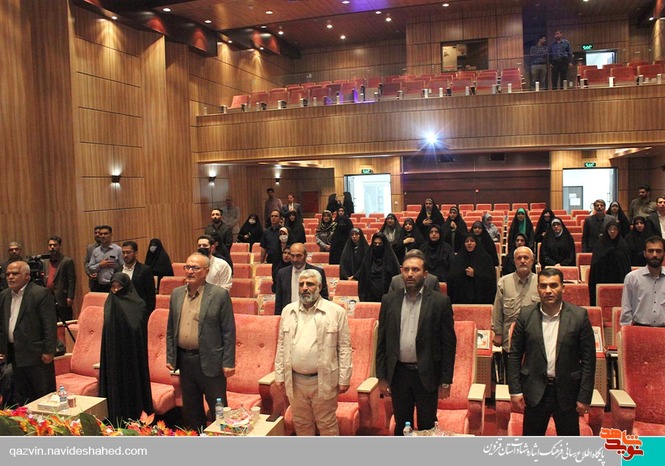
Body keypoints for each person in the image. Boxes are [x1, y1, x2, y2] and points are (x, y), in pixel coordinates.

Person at [508, 268, 596, 436]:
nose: (548, 290)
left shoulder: (579, 316)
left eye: (553, 285)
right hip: (534, 391)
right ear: (538, 289)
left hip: (568, 391)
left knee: (569, 446)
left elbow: (588, 361)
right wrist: (515, 390)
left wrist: (584, 396)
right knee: (532, 445)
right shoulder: (525, 315)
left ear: (563, 288)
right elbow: (515, 355)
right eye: (543, 286)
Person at [376, 252, 456, 436]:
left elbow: (448, 344)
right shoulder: (389, 300)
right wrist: (381, 376)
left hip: (427, 374)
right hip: (399, 374)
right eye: (406, 270)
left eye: (415, 269)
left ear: (425, 274)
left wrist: (446, 381)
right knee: (402, 426)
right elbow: (382, 341)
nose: (410, 274)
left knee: (427, 426)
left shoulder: (440, 302)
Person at [274, 269, 351, 436]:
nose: (304, 288)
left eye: (309, 284)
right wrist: (279, 374)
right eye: (301, 284)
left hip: (323, 380)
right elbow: (281, 345)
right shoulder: (288, 311)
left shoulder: (336, 312)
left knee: (327, 423)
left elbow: (344, 347)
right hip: (295, 380)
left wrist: (344, 378)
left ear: (320, 286)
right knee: (301, 423)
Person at [166, 253, 236, 430]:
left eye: (195, 268)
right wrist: (170, 356)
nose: (190, 271)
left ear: (206, 271)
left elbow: (229, 331)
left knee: (219, 412)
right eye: (187, 267)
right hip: (185, 361)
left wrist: (228, 362)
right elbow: (171, 329)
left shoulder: (219, 295)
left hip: (211, 362)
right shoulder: (176, 294)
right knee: (191, 412)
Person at [99, 273, 153, 424]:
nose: (116, 290)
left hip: (132, 355)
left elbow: (137, 329)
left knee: (132, 386)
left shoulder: (138, 304)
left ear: (127, 287)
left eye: (119, 286)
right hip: (113, 354)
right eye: (113, 286)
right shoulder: (110, 303)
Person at [0, 261, 57, 405]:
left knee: (43, 396)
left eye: (15, 274)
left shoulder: (40, 293)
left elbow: (49, 325)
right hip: (14, 354)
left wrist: (49, 351)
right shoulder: (4, 295)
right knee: (21, 397)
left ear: (27, 276)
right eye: (8, 274)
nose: (10, 277)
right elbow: (2, 325)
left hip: (37, 355)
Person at [492, 246, 540, 383]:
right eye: (519, 258)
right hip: (510, 341)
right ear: (514, 261)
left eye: (526, 258)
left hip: (534, 341)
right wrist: (498, 333)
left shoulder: (540, 282)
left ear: (532, 260)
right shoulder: (504, 282)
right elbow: (497, 310)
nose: (523, 261)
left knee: (533, 381)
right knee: (512, 381)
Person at [620, 236, 665, 327]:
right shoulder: (632, 278)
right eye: (650, 251)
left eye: (658, 251)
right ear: (644, 254)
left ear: (664, 253)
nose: (654, 255)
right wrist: (627, 331)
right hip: (639, 329)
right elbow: (626, 310)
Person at [274, 243, 328, 316]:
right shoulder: (282, 273)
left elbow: (324, 297)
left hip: (312, 315)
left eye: (298, 256)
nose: (295, 259)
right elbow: (279, 301)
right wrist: (278, 318)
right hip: (290, 315)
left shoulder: (318, 272)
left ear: (305, 255)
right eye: (292, 256)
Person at [588, 219, 631, 306]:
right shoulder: (599, 245)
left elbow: (626, 266)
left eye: (615, 229)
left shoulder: (623, 246)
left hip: (619, 280)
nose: (612, 231)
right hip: (602, 278)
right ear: (606, 230)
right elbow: (595, 265)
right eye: (610, 229)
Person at [447, 234, 497, 305]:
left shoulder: (486, 259)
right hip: (461, 298)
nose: (469, 243)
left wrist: (476, 274)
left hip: (481, 299)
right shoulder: (457, 259)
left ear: (476, 243)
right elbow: (451, 278)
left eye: (472, 241)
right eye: (466, 241)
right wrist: (463, 273)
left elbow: (490, 279)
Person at [115, 241, 156, 318]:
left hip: (139, 313)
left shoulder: (145, 270)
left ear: (136, 253)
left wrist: (148, 316)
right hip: (121, 312)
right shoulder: (117, 270)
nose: (125, 255)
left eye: (128, 252)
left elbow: (150, 296)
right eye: (123, 253)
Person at [357, 232, 401, 302]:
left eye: (380, 244)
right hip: (369, 298)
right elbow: (362, 281)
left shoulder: (391, 261)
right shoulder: (368, 260)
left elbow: (396, 282)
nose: (377, 246)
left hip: (387, 299)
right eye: (375, 244)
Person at [44, 236, 76, 322]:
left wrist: (70, 297)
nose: (52, 247)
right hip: (48, 296)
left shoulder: (67, 261)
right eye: (50, 245)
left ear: (60, 246)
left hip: (62, 296)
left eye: (55, 245)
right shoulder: (45, 261)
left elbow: (71, 280)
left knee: (66, 321)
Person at [87, 225, 123, 293]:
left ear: (111, 235)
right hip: (98, 285)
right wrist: (100, 265)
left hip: (113, 285)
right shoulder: (95, 251)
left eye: (105, 234)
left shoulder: (118, 250)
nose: (103, 236)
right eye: (101, 234)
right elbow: (90, 268)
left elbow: (123, 267)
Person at [83, 226, 102, 291]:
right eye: (95, 233)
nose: (97, 235)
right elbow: (86, 262)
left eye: (99, 233)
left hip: (106, 282)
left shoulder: (110, 247)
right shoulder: (90, 247)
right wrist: (89, 273)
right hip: (93, 282)